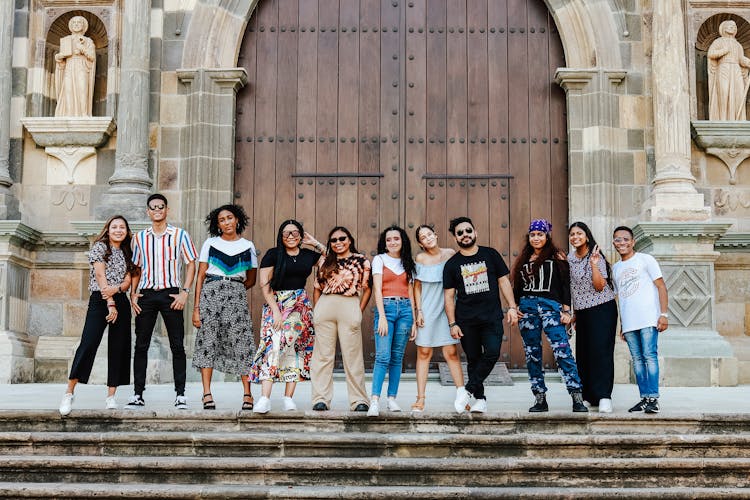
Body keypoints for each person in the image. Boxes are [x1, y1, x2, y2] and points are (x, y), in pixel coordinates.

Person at [59, 216, 136, 415]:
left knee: (119, 347)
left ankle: (111, 396)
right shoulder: (100, 247)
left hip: (120, 298)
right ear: (108, 230)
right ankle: (69, 393)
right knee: (88, 343)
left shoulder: (129, 251)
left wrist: (117, 291)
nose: (118, 230)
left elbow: (128, 281)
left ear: (127, 232)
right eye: (114, 227)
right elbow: (100, 276)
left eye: (122, 227)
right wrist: (110, 301)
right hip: (100, 299)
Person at [127, 194, 197, 409]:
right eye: (153, 207)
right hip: (146, 295)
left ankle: (180, 394)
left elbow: (191, 263)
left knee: (177, 345)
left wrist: (185, 292)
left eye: (161, 207)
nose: (157, 210)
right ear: (148, 212)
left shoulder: (179, 235)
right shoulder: (139, 238)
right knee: (141, 345)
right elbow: (136, 268)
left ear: (167, 210)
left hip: (171, 294)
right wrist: (133, 293)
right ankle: (138, 393)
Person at [443, 217, 518, 413]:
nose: (465, 235)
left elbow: (503, 282)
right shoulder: (452, 264)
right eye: (460, 233)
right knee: (474, 359)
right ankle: (480, 399)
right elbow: (449, 297)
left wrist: (511, 306)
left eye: (468, 230)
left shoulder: (490, 254)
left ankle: (467, 390)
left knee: (492, 352)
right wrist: (453, 324)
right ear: (455, 237)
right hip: (466, 321)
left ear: (475, 232)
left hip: (491, 317)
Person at [511, 219, 587, 413]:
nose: (536, 238)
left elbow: (565, 285)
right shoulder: (523, 259)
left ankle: (577, 396)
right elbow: (517, 288)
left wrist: (567, 311)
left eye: (540, 234)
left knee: (562, 350)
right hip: (527, 309)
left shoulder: (557, 257)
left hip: (550, 307)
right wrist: (515, 305)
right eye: (533, 235)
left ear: (547, 236)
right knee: (532, 354)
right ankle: (540, 399)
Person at [250, 220, 326, 413]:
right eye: (286, 233)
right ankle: (265, 399)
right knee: (272, 347)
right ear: (280, 236)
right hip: (276, 304)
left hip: (300, 306)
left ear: (301, 235)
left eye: (295, 233)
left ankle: (288, 398)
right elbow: (264, 285)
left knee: (295, 350)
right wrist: (275, 310)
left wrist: (315, 243)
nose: (290, 237)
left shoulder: (309, 255)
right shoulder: (273, 255)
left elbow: (333, 258)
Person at [191, 204, 257, 411]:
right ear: (217, 224)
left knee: (243, 342)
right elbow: (200, 276)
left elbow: (251, 279)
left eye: (230, 218)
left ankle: (247, 393)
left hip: (236, 295)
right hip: (211, 293)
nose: (227, 222)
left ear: (237, 220)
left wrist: (233, 287)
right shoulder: (210, 243)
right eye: (222, 220)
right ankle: (207, 393)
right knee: (208, 341)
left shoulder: (248, 246)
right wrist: (196, 307)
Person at [310, 226, 372, 412]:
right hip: (326, 305)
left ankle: (359, 400)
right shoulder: (325, 261)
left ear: (350, 240)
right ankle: (320, 399)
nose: (338, 243)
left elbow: (367, 288)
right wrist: (317, 311)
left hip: (349, 304)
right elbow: (317, 287)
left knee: (353, 356)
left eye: (342, 238)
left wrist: (358, 311)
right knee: (322, 356)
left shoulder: (361, 261)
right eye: (334, 240)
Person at [611, 225, 669, 414]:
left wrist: (664, 314)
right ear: (614, 243)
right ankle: (644, 398)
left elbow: (661, 286)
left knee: (649, 356)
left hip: (648, 318)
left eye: (625, 239)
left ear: (633, 241)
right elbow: (620, 299)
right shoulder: (616, 268)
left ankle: (654, 398)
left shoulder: (645, 260)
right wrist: (622, 325)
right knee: (637, 360)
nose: (622, 243)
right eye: (618, 240)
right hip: (629, 323)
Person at [411, 224, 464, 413]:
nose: (428, 238)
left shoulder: (450, 253)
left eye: (429, 234)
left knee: (451, 352)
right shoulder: (420, 258)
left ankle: (462, 395)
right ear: (420, 243)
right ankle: (420, 399)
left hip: (447, 308)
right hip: (428, 307)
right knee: (424, 352)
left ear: (436, 234)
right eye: (423, 237)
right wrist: (419, 311)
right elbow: (416, 287)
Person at [567, 222, 618, 413]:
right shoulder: (569, 258)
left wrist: (594, 265)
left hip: (602, 309)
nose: (575, 237)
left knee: (601, 352)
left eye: (579, 233)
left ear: (586, 236)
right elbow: (571, 288)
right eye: (572, 234)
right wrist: (573, 313)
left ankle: (604, 395)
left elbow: (599, 286)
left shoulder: (596, 256)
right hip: (582, 312)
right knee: (584, 353)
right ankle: (588, 395)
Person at [367, 226, 416, 417]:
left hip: (405, 310)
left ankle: (392, 399)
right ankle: (374, 401)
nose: (393, 242)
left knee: (397, 357)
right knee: (383, 356)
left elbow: (411, 292)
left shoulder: (408, 262)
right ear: (384, 242)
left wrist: (413, 319)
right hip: (386, 308)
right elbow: (377, 289)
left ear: (402, 240)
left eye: (396, 238)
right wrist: (382, 317)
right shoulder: (379, 260)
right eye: (389, 239)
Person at [708, 20, 750, 120]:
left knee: (738, 94)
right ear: (724, 28)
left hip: (736, 69)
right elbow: (711, 54)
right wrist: (724, 51)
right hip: (723, 68)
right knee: (723, 92)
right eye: (730, 25)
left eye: (735, 26)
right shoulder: (719, 41)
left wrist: (748, 62)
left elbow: (740, 59)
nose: (733, 27)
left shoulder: (738, 45)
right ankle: (722, 118)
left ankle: (737, 118)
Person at [54, 15, 96, 117]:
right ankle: (68, 115)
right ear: (71, 26)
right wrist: (59, 57)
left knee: (82, 90)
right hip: (69, 67)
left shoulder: (88, 41)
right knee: (68, 91)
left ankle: (83, 114)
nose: (76, 24)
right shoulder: (66, 40)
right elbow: (61, 60)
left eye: (79, 22)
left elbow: (92, 57)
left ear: (83, 26)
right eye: (74, 23)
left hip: (82, 67)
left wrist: (82, 48)